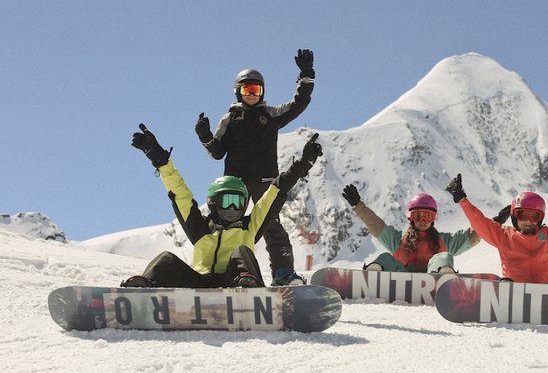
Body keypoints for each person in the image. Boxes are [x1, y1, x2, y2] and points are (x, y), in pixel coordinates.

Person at [121, 124, 321, 288]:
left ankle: (248, 287)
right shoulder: (199, 227)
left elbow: (274, 193)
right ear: (213, 203)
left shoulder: (249, 227)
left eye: (239, 202)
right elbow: (180, 193)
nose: (233, 207)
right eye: (227, 201)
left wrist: (303, 164)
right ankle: (141, 290)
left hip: (235, 282)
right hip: (200, 284)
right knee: (165, 260)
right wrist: (159, 158)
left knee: (242, 251)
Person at [194, 50, 315, 286]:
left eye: (256, 91)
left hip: (265, 181)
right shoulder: (230, 119)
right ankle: (219, 271)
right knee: (225, 225)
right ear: (238, 92)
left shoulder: (270, 115)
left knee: (272, 226)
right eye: (247, 90)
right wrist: (205, 135)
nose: (252, 95)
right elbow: (217, 152)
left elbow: (299, 104)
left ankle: (283, 274)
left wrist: (307, 74)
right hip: (234, 183)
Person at [443, 174, 548, 284]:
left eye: (534, 216)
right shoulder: (504, 236)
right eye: (523, 215)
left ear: (540, 219)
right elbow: (480, 223)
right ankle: (504, 292)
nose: (528, 221)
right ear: (515, 218)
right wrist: (461, 199)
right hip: (514, 292)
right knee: (505, 284)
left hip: (545, 295)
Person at [341, 185, 481, 273]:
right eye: (418, 216)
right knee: (386, 258)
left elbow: (472, 236)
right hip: (401, 281)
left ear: (434, 219)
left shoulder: (443, 241)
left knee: (444, 256)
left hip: (430, 280)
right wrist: (358, 206)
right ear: (411, 218)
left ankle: (442, 277)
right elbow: (376, 225)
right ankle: (373, 276)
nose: (423, 221)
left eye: (428, 216)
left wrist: (493, 225)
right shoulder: (398, 240)